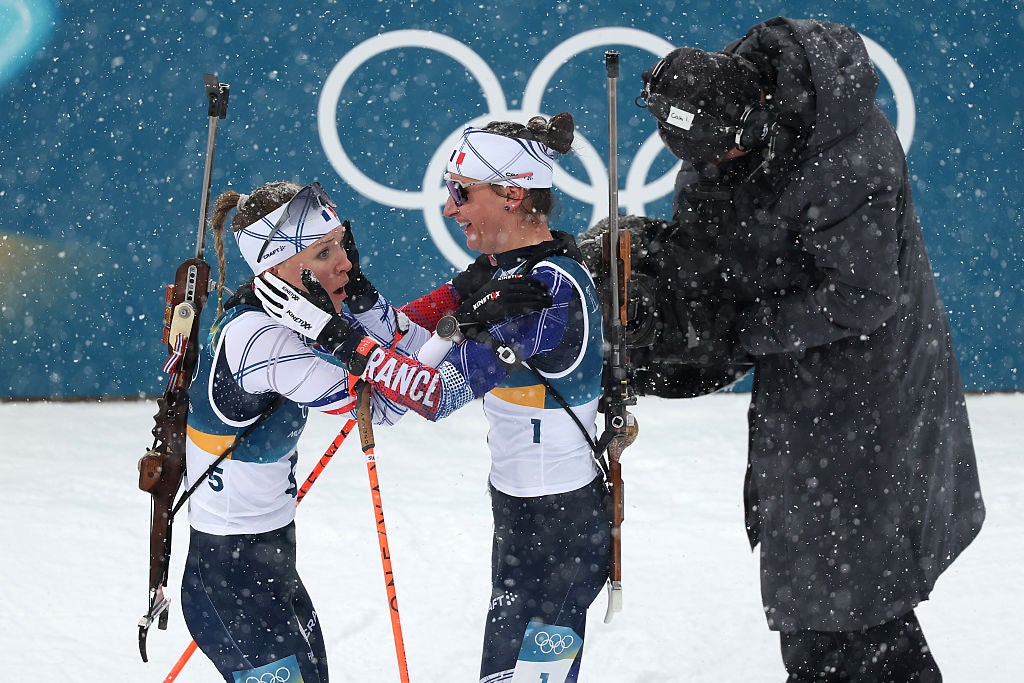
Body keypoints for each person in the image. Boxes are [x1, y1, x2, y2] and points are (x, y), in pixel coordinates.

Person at [634, 17, 986, 682]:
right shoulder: (728, 139)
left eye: (722, 160)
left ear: (753, 125)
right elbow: (716, 241)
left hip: (872, 387)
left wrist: (735, 329)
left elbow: (860, 295)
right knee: (831, 592)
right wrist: (664, 277)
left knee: (847, 589)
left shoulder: (849, 157)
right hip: (804, 385)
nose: (709, 173)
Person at [255, 113, 611, 683]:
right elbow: (412, 340)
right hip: (521, 514)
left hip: (561, 525)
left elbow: (435, 391)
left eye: (461, 192)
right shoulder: (494, 274)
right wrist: (362, 297)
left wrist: (335, 337)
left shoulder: (546, 291)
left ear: (513, 194)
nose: (450, 207)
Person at [181, 180, 430, 682]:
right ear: (276, 269)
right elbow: (395, 401)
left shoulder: (290, 316)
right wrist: (346, 332)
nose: (345, 263)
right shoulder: (265, 339)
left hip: (267, 563)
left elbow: (410, 354)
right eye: (323, 252)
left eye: (343, 244)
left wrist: (362, 302)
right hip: (231, 576)